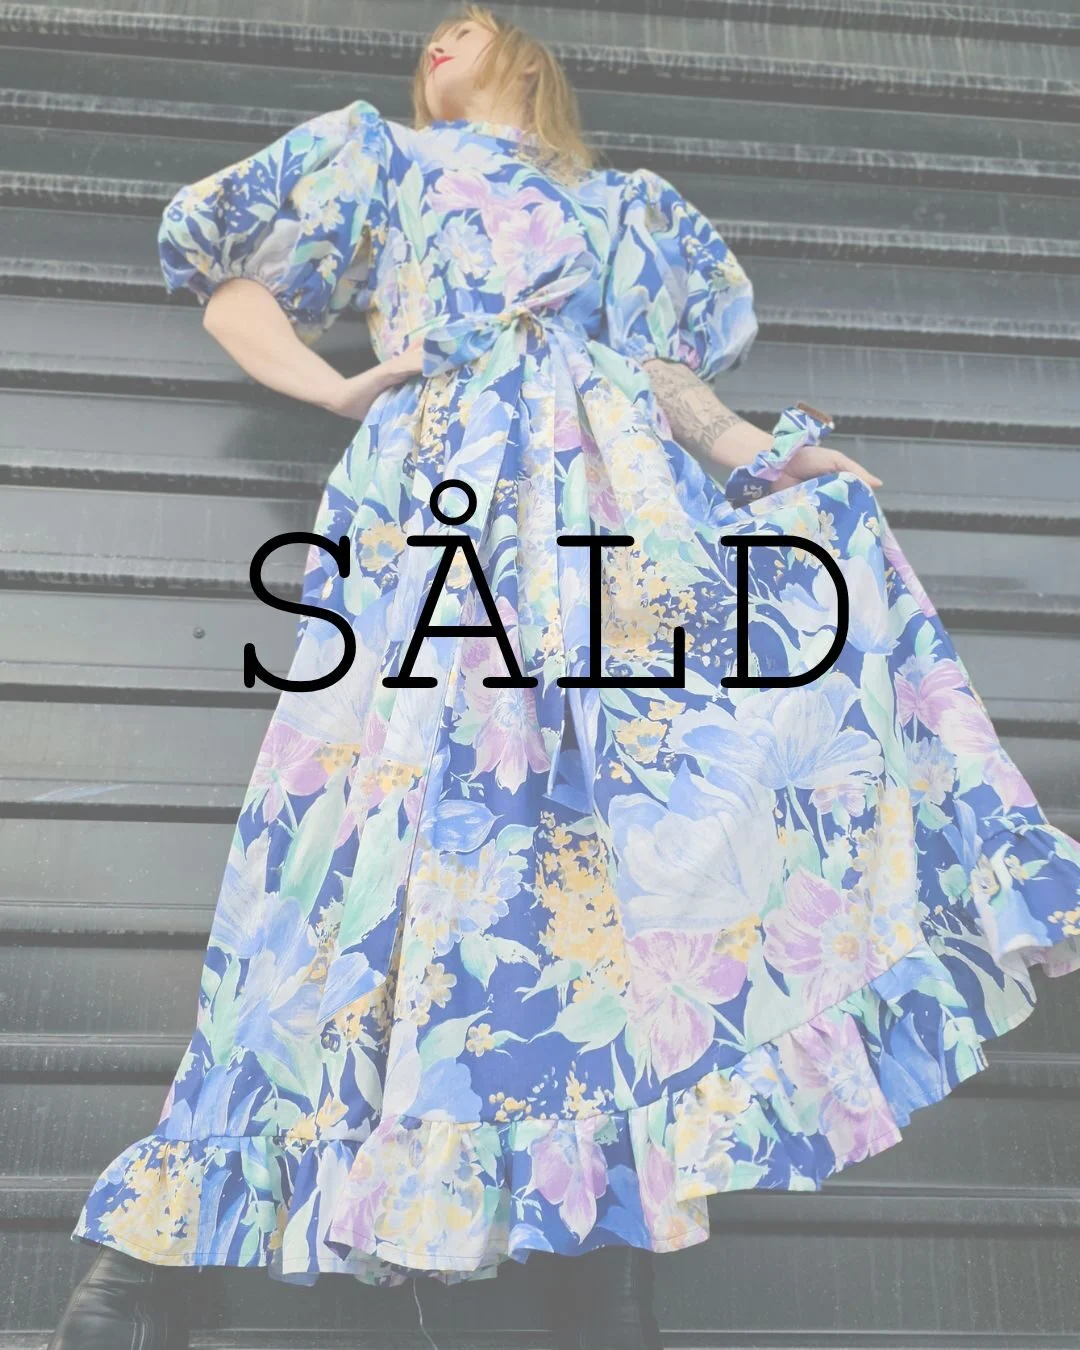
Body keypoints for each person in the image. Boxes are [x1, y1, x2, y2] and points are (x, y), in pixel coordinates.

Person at [48, 4, 1080, 1349]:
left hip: (614, 549)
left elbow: (670, 386)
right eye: (428, 32)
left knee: (604, 882)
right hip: (439, 518)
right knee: (349, 857)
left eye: (464, 21)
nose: (436, 37)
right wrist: (336, 388)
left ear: (527, 49)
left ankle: (609, 1257)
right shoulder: (385, 159)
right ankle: (159, 1257)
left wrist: (771, 463)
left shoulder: (631, 211)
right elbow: (218, 268)